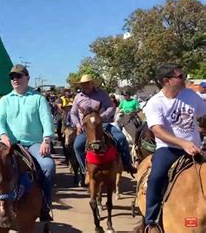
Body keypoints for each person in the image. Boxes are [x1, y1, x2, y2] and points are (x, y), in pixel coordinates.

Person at [141, 64, 206, 231]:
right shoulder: (155, 103)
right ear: (166, 81)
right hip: (169, 148)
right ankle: (151, 221)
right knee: (156, 178)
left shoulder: (190, 95)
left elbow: (204, 114)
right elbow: (157, 131)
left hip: (196, 147)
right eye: (180, 76)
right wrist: (183, 143)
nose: (184, 78)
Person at [0, 64, 56, 221]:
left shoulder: (38, 99)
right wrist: (3, 135)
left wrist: (46, 140)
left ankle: (45, 206)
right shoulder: (5, 101)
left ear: (27, 78)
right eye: (12, 77)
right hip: (10, 144)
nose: (15, 79)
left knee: (48, 166)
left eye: (19, 76)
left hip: (34, 144)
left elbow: (47, 121)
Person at [70, 75, 137, 175]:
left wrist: (101, 117)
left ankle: (127, 164)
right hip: (86, 128)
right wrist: (78, 125)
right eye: (83, 84)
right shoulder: (78, 97)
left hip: (104, 125)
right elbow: (73, 113)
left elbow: (111, 107)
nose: (86, 85)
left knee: (121, 138)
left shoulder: (102, 94)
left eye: (88, 83)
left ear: (93, 84)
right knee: (77, 146)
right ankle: (85, 171)